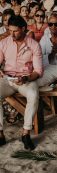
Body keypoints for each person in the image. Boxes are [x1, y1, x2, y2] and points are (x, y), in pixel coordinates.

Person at [0, 15, 43, 149]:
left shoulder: (34, 45)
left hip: (26, 79)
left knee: (33, 95)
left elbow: (38, 71)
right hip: (8, 79)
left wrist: (26, 78)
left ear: (23, 28)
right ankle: (0, 133)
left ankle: (26, 133)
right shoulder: (4, 43)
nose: (11, 34)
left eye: (15, 31)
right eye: (10, 30)